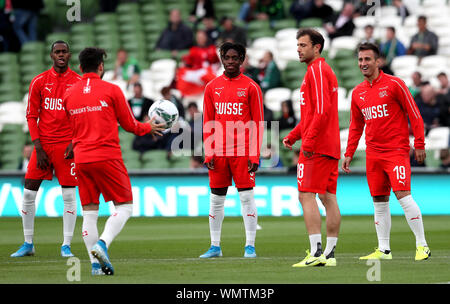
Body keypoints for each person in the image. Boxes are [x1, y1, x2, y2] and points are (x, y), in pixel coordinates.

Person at [63, 47, 164, 275]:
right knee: (125, 206)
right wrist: (150, 127)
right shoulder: (112, 89)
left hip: (81, 159)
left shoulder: (69, 94)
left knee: (89, 212)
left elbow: (71, 127)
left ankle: (95, 266)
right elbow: (130, 125)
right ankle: (102, 244)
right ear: (101, 67)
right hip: (106, 156)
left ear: (79, 68)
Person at [342, 42, 431, 261]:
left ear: (378, 61)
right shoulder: (358, 92)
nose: (363, 63)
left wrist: (419, 143)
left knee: (403, 196)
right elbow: (356, 126)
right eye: (360, 59)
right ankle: (384, 249)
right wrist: (349, 152)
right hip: (373, 154)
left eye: (367, 59)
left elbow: (414, 113)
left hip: (396, 151)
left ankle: (423, 246)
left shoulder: (394, 84)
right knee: (379, 201)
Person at [10, 41, 82, 258]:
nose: (61, 54)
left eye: (64, 51)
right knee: (29, 192)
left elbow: (81, 115)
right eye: (57, 52)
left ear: (69, 55)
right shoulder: (39, 82)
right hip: (43, 146)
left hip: (66, 146)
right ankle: (28, 243)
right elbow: (31, 116)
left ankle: (66, 245)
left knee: (69, 194)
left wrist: (74, 142)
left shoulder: (77, 82)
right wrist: (38, 146)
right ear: (51, 55)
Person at [282, 28, 341, 267]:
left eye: (303, 45)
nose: (298, 49)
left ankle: (316, 253)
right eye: (297, 45)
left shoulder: (316, 70)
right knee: (328, 197)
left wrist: (307, 141)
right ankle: (329, 254)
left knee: (306, 194)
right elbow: (312, 114)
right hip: (329, 145)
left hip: (317, 146)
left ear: (316, 47)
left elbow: (321, 110)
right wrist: (295, 135)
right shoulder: (321, 70)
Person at [200, 42, 264, 259]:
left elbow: (258, 122)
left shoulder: (251, 87)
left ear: (242, 59)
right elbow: (208, 121)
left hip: (243, 152)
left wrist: (254, 154)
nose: (230, 61)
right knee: (216, 199)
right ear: (221, 58)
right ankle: (215, 246)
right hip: (218, 153)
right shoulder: (211, 87)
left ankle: (250, 246)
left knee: (246, 197)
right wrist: (209, 152)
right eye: (226, 57)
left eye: (234, 57)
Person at [175, 29, 220, 97]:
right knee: (181, 73)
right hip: (197, 72)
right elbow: (189, 63)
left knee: (207, 75)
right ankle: (189, 93)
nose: (200, 40)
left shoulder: (212, 49)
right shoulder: (194, 50)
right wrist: (185, 61)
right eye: (198, 38)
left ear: (205, 38)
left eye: (202, 37)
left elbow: (217, 63)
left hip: (210, 72)